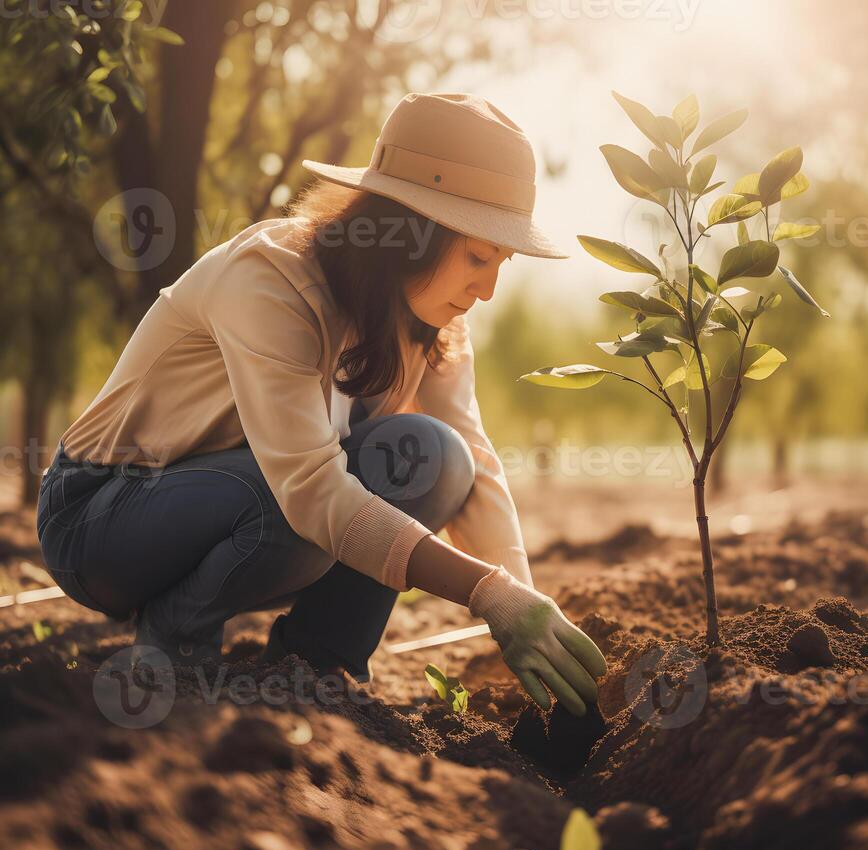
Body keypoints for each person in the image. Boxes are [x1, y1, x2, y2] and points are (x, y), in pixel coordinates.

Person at [35, 92, 606, 717]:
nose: (489, 290)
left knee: (438, 460)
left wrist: (523, 609)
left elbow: (471, 459)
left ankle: (313, 665)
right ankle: (173, 643)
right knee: (299, 502)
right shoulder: (271, 279)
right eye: (476, 257)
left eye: (501, 263)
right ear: (410, 232)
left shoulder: (434, 323)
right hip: (101, 517)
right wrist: (486, 594)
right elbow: (310, 490)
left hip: (250, 497)